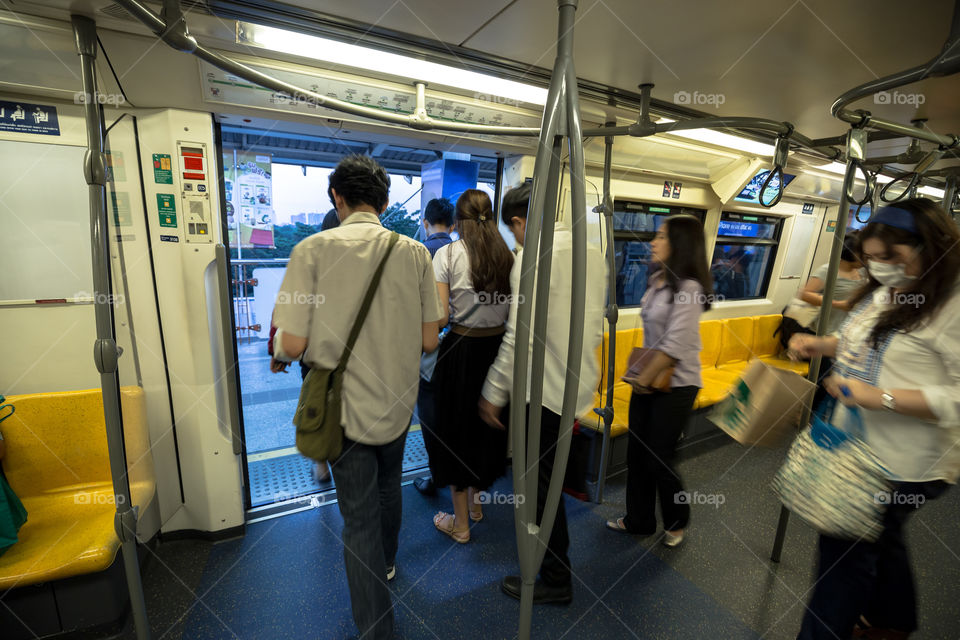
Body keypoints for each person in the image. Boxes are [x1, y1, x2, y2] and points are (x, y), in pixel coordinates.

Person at [272, 154, 443, 640]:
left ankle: (376, 630)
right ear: (386, 202)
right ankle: (388, 564)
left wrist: (291, 343)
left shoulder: (311, 250)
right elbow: (430, 340)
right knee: (390, 487)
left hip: (343, 410)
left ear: (336, 197)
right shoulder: (415, 253)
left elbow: (293, 344)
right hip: (397, 401)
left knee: (358, 521)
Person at [788, 199, 960, 640]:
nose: (880, 267)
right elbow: (861, 343)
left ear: (931, 247)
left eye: (892, 257)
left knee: (843, 557)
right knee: (880, 537)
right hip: (857, 443)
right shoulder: (885, 292)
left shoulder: (952, 303)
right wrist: (820, 345)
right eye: (873, 258)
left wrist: (879, 397)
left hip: (905, 460)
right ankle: (894, 620)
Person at [478, 183, 606, 604]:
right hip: (577, 385)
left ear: (519, 221)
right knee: (549, 483)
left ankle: (554, 580)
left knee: (537, 489)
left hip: (543, 393)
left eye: (513, 230)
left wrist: (494, 390)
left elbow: (519, 337)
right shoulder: (592, 251)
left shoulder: (529, 257)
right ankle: (553, 570)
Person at [605, 215, 713, 549]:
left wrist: (643, 380)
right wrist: (641, 377)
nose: (653, 242)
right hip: (649, 378)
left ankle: (678, 520)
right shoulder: (657, 280)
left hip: (677, 385)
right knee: (637, 455)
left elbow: (675, 344)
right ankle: (639, 520)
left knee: (659, 457)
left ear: (679, 245)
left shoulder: (690, 289)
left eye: (662, 237)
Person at [428, 190, 514, 542]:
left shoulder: (448, 254)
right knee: (484, 432)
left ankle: (460, 524)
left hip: (461, 352)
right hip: (498, 351)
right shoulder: (508, 256)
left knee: (454, 435)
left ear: (458, 221)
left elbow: (440, 315)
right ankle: (477, 507)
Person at [413, 197, 456, 497]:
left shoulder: (418, 254)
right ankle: (458, 480)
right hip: (460, 342)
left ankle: (437, 475)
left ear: (425, 222)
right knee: (455, 413)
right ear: (453, 225)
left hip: (427, 344)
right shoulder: (463, 253)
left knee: (429, 411)